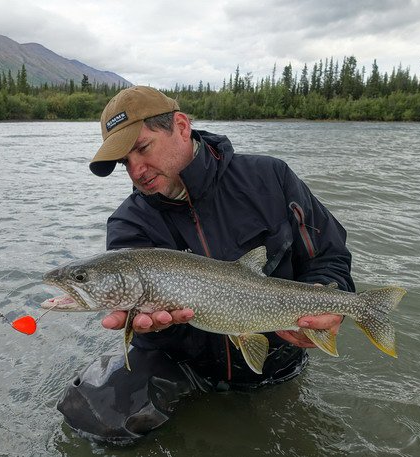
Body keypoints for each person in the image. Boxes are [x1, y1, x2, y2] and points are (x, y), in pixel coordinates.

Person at [56, 86, 354, 443]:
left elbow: (330, 256)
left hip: (281, 356)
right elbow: (144, 324)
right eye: (124, 162)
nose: (136, 170)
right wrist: (150, 326)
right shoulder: (129, 223)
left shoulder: (270, 179)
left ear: (181, 126)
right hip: (186, 367)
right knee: (92, 410)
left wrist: (327, 300)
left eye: (142, 148)